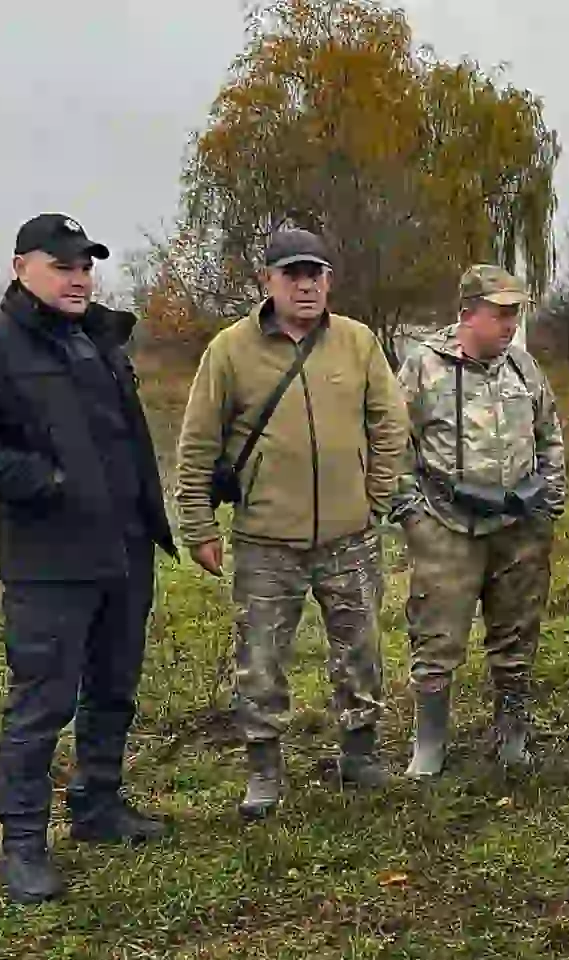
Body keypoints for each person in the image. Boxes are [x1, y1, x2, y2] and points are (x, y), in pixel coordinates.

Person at [0, 213, 178, 904]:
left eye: (86, 266)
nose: (79, 278)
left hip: (123, 549)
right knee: (42, 703)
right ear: (20, 268)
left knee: (114, 687)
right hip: (51, 559)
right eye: (63, 265)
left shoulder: (97, 341)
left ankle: (97, 805)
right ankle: (24, 845)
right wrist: (47, 483)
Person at [173, 228, 409, 815]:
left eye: (316, 274)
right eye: (292, 274)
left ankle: (360, 752)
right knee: (259, 659)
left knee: (360, 650)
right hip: (264, 541)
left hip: (349, 537)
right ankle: (264, 770)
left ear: (328, 280)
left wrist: (373, 497)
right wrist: (199, 527)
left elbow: (389, 423)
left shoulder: (358, 343)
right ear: (268, 281)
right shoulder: (230, 350)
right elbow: (197, 444)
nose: (305, 285)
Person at [392, 264, 566, 778]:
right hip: (446, 526)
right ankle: (429, 744)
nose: (510, 324)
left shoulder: (523, 367)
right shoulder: (423, 367)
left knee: (516, 634)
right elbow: (390, 441)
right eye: (501, 313)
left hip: (519, 526)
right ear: (468, 313)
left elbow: (550, 432)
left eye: (515, 313)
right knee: (436, 637)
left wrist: (550, 496)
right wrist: (410, 512)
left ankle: (512, 733)